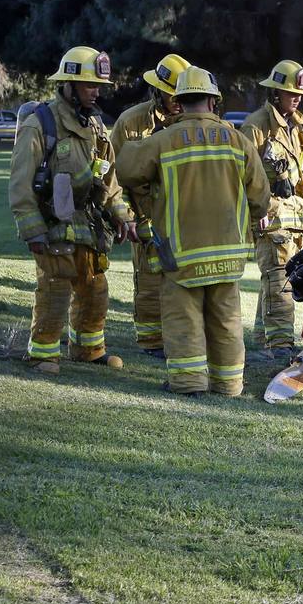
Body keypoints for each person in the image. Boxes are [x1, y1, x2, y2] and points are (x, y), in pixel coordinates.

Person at [115, 67, 270, 396]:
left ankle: (188, 383)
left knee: (183, 319)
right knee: (226, 322)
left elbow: (126, 170)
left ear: (179, 101)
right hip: (229, 253)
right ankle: (229, 384)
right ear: (214, 102)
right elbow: (261, 198)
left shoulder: (163, 141)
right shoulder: (238, 140)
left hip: (181, 253)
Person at [9, 46, 136, 376]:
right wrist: (32, 229)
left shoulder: (96, 128)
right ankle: (42, 354)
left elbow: (108, 178)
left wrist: (121, 215)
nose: (96, 91)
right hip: (52, 224)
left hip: (87, 225)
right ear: (68, 84)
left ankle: (88, 349)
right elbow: (20, 183)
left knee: (95, 288)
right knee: (55, 287)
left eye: (99, 86)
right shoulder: (41, 125)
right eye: (89, 85)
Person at [110, 53, 189, 359]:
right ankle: (152, 342)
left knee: (185, 283)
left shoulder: (191, 125)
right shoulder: (132, 122)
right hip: (147, 218)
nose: (179, 102)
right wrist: (129, 218)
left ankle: (183, 338)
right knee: (149, 281)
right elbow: (114, 177)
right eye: (173, 96)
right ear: (157, 91)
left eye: (183, 96)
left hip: (185, 219)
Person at [242, 59, 303, 360]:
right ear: (274, 92)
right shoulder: (256, 126)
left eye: (299, 93)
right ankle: (281, 346)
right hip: (270, 219)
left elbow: (302, 174)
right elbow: (244, 174)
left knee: (275, 280)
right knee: (279, 281)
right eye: (290, 92)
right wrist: (256, 213)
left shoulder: (295, 127)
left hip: (293, 219)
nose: (296, 97)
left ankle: (264, 340)